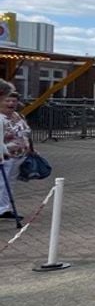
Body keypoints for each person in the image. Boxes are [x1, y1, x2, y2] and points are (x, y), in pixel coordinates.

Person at [0, 81, 31, 223]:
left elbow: (26, 132)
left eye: (14, 101)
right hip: (5, 156)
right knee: (2, 183)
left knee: (10, 183)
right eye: (7, 100)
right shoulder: (1, 118)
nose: (11, 103)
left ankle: (5, 208)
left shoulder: (18, 116)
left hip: (19, 155)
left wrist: (31, 148)